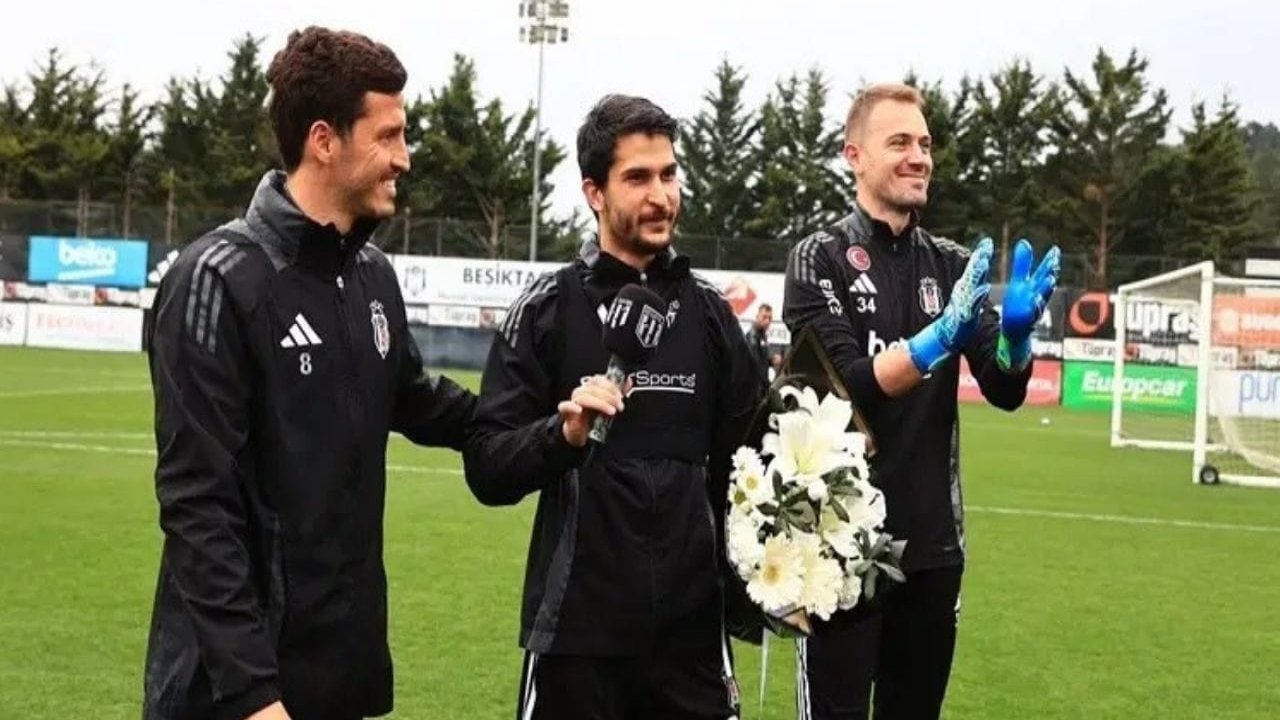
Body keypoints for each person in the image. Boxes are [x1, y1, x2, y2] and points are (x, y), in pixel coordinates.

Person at [142, 27, 476, 720]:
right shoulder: (215, 280)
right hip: (234, 696)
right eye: (388, 136)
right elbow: (198, 506)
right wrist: (253, 695)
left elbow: (422, 402)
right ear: (324, 141)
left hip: (337, 683)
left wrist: (550, 422)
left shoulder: (372, 276)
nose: (405, 157)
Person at [463, 94, 765, 720]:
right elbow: (487, 465)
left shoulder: (710, 315)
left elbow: (752, 460)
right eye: (638, 178)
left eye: (669, 174)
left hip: (691, 643)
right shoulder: (547, 310)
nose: (661, 195)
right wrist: (563, 435)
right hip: (577, 641)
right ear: (594, 193)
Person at [782, 83, 1060, 719]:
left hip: (932, 551)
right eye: (900, 142)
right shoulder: (818, 258)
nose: (919, 158)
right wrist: (939, 338)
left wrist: (1015, 340)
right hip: (838, 546)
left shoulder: (954, 266)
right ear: (854, 156)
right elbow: (847, 385)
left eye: (926, 145)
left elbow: (1005, 387)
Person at [744, 303, 782, 383]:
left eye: (770, 318)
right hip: (755, 385)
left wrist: (772, 360)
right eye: (764, 317)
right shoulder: (753, 336)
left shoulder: (762, 335)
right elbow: (755, 364)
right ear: (757, 317)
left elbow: (762, 359)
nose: (767, 321)